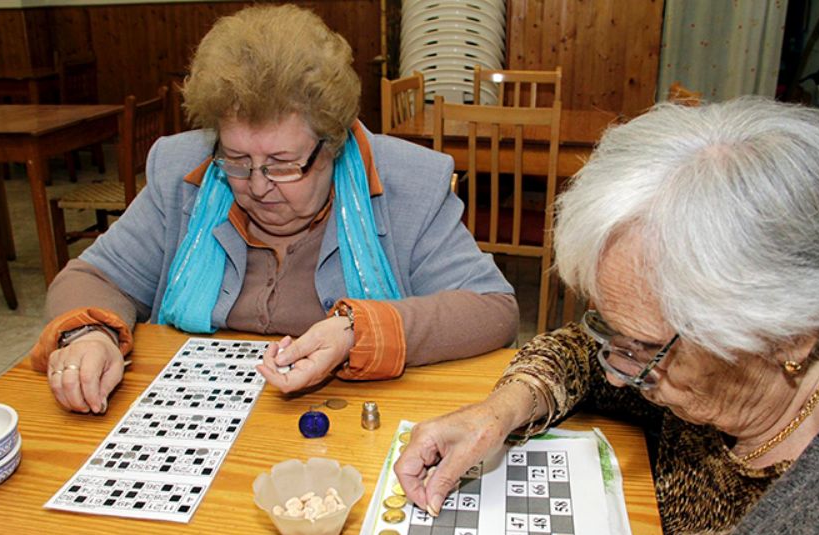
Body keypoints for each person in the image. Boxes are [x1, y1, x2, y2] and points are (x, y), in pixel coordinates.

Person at [395, 97, 819, 535]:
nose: (618, 367)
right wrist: (498, 413)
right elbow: (584, 352)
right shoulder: (744, 379)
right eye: (613, 329)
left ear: (790, 333)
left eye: (649, 349)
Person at [29, 4, 518, 413]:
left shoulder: (409, 181)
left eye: (284, 164)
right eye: (237, 160)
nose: (256, 186)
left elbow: (492, 310)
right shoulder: (182, 170)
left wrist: (357, 331)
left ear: (335, 144)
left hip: (354, 425)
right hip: (200, 419)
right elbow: (94, 277)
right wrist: (89, 335)